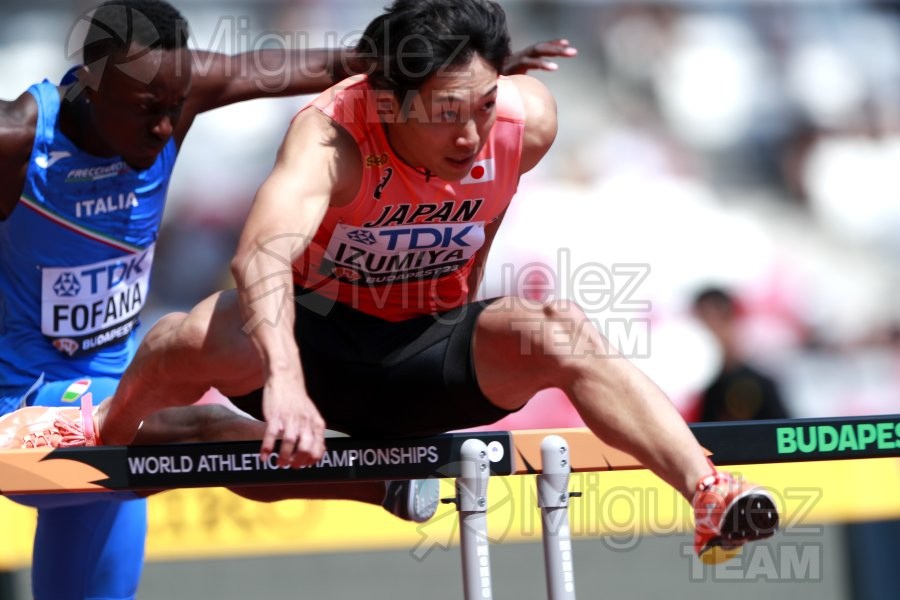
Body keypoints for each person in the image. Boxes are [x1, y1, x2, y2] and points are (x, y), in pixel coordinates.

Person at [7, 0, 775, 573]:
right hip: (285, 359)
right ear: (388, 100)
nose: (471, 137)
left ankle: (706, 490)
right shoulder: (329, 139)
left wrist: (463, 81)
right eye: (447, 115)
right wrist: (284, 383)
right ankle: (109, 434)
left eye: (481, 106)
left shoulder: (524, 122)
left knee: (561, 329)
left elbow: (324, 70)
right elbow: (262, 258)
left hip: (422, 354)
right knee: (191, 346)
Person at [691, 286, 790, 422]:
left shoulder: (760, 385)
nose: (712, 331)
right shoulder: (686, 390)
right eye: (703, 322)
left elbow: (783, 434)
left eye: (720, 320)